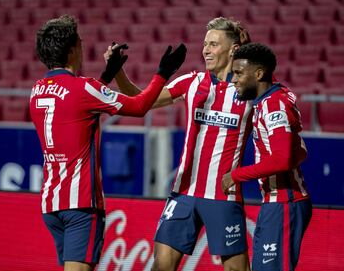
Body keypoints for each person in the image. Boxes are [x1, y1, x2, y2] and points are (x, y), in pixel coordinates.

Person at [29, 15, 186, 271]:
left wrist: (108, 75)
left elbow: (77, 109)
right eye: (79, 42)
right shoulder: (83, 88)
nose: (82, 47)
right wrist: (163, 73)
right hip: (81, 205)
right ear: (72, 50)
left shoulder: (37, 90)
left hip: (51, 204)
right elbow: (139, 107)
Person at [106, 17, 253, 271]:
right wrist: (118, 71)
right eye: (205, 44)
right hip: (183, 193)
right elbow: (141, 100)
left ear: (233, 49)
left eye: (214, 44)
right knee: (161, 266)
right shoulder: (192, 82)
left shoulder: (250, 92)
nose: (206, 49)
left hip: (223, 196)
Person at [222, 42, 312, 271]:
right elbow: (300, 151)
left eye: (239, 73)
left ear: (259, 74)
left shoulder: (273, 106)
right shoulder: (269, 101)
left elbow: (282, 159)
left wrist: (236, 175)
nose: (233, 79)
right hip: (275, 203)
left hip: (284, 203)